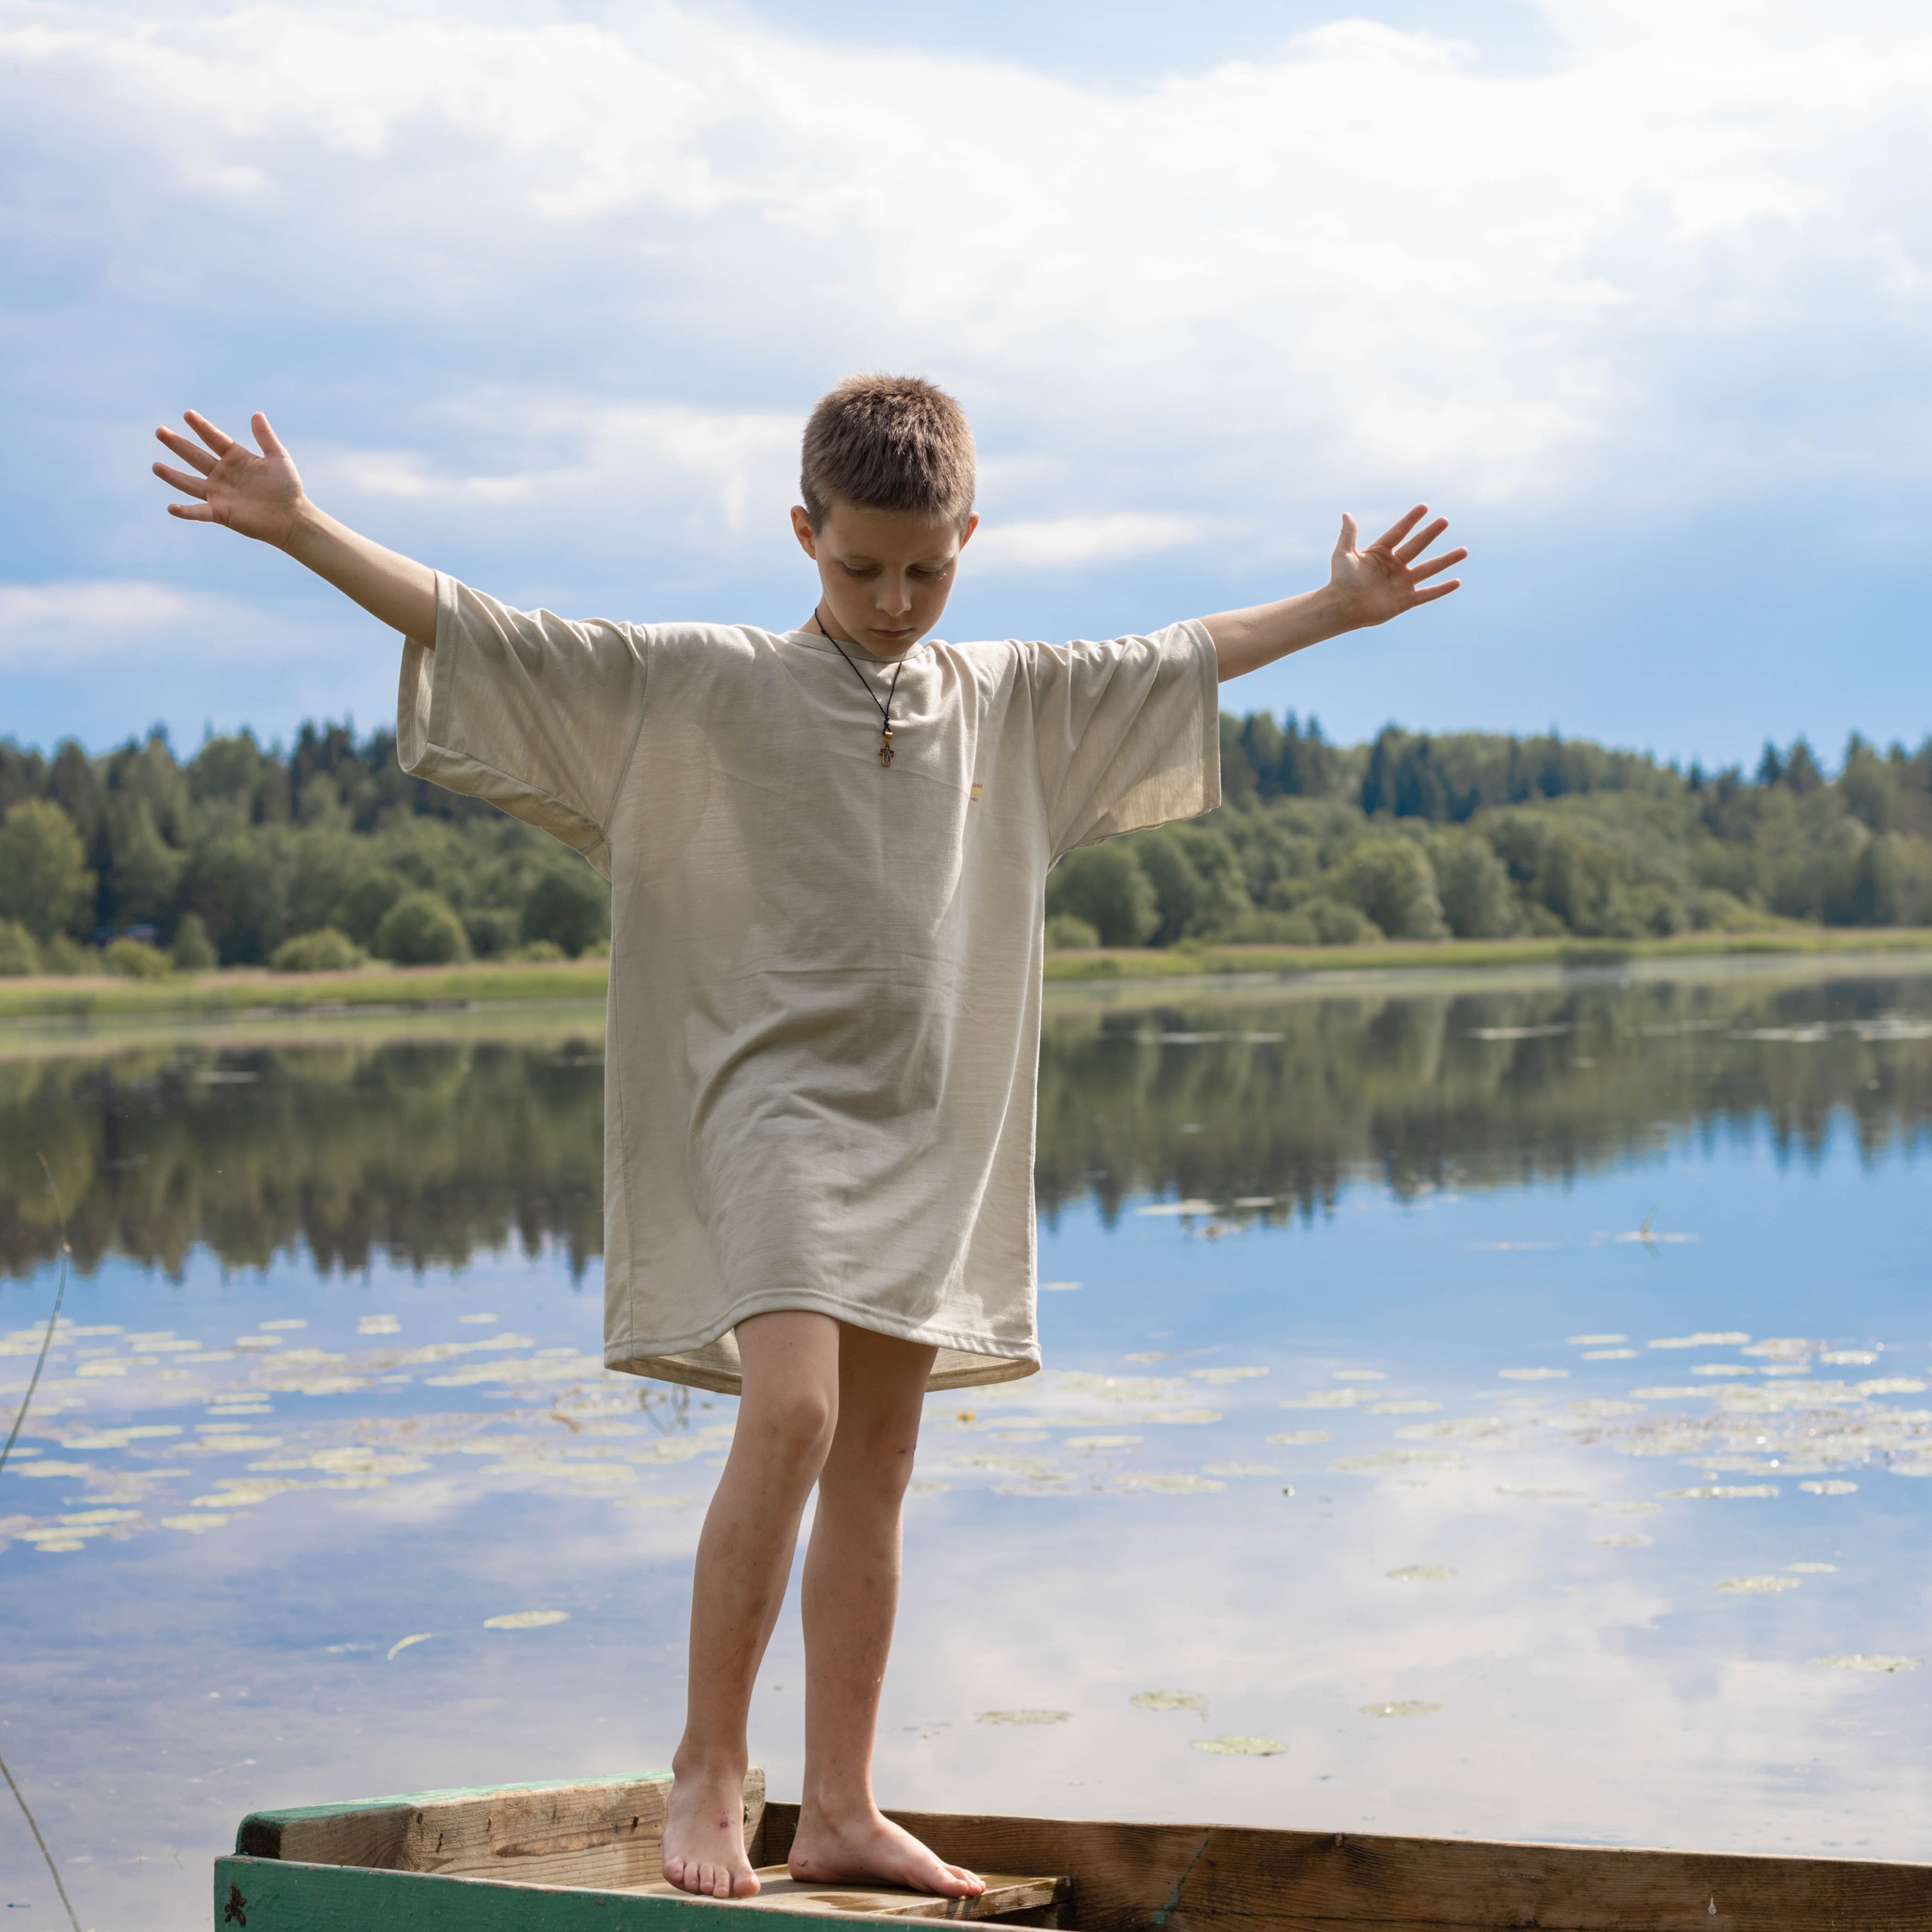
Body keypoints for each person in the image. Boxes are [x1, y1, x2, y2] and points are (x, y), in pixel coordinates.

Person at [152, 376, 1464, 1901]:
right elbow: (488, 630)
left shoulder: (1010, 694)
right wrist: (303, 527)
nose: (896, 599)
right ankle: (709, 1763)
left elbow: (1177, 652)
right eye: (861, 567)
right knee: (789, 1413)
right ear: (802, 532)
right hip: (764, 1098)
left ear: (967, 533)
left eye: (927, 567)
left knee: (882, 1452)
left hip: (929, 1114)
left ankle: (840, 1801)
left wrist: (1332, 604)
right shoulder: (701, 683)